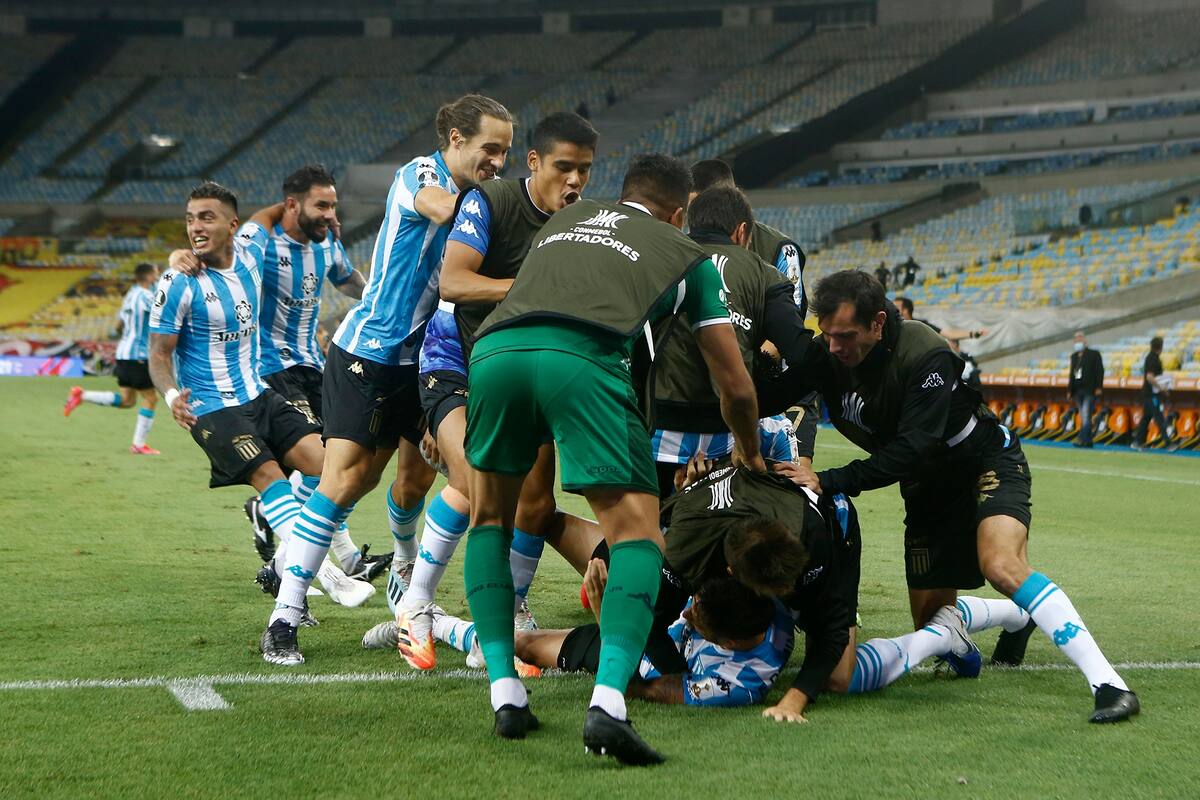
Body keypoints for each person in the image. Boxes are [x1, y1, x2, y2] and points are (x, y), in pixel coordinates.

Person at [462, 154, 764, 763]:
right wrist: (750, 452)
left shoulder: (561, 222)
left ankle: (505, 693)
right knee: (637, 538)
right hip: (584, 359)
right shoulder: (689, 256)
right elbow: (734, 386)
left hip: (495, 354)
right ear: (678, 214)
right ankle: (607, 706)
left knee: (488, 521)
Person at [761, 270, 1139, 724]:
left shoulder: (925, 352)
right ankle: (1019, 616)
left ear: (878, 323)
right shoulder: (830, 355)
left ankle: (1109, 684)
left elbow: (911, 447)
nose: (834, 346)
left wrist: (828, 480)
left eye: (845, 336)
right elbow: (769, 396)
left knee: (1001, 564)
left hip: (982, 463)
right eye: (828, 335)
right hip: (926, 486)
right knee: (934, 625)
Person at [269, 94, 513, 664]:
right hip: (370, 353)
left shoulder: (481, 196)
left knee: (426, 479)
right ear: (455, 139)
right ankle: (285, 614)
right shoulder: (421, 175)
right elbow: (441, 208)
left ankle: (407, 588)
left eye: (505, 152)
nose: (498, 161)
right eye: (490, 148)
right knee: (348, 480)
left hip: (427, 362)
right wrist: (506, 208)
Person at [397, 111, 598, 670]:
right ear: (534, 162)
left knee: (534, 503)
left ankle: (510, 611)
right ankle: (415, 606)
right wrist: (532, 289)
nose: (574, 180)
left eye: (584, 169)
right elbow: (455, 280)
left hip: (521, 371)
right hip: (455, 361)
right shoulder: (490, 201)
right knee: (478, 482)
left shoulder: (583, 227)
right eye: (563, 166)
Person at [148, 182, 328, 659]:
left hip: (258, 393)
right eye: (190, 218)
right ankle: (309, 583)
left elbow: (271, 213)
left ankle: (284, 566)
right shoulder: (178, 281)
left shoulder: (250, 250)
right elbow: (158, 354)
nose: (195, 227)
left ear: (232, 225)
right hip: (210, 406)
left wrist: (309, 208)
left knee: (330, 470)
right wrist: (171, 395)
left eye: (206, 217)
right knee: (269, 477)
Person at [240, 164, 383, 583]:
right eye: (321, 206)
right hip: (272, 367)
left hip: (314, 366)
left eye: (333, 206)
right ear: (291, 204)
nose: (330, 215)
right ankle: (293, 564)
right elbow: (230, 258)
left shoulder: (326, 243)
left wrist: (378, 296)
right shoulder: (264, 244)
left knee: (348, 459)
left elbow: (346, 278)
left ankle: (274, 514)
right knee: (325, 464)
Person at [434, 566, 796, 709]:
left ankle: (436, 624)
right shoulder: (760, 599)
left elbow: (635, 688)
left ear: (727, 644)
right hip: (655, 612)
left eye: (696, 619)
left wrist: (604, 615)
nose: (688, 613)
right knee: (553, 520)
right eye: (694, 604)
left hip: (642, 659)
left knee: (523, 644)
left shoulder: (734, 685)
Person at [649, 185, 813, 496]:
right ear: (741, 231)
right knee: (720, 518)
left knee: (644, 522)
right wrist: (764, 400)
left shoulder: (656, 260)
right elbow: (800, 352)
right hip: (725, 437)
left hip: (652, 429)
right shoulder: (764, 274)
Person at [688, 159, 819, 465]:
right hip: (705, 386)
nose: (698, 216)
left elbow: (790, 325)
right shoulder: (684, 245)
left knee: (789, 473)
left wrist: (748, 363)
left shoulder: (778, 249)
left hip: (766, 383)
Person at [64, 261, 162, 455]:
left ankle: (81, 395)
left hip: (123, 353)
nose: (158, 277)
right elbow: (162, 314)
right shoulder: (146, 296)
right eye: (156, 274)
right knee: (151, 398)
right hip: (138, 355)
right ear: (150, 276)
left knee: (127, 400)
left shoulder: (130, 294)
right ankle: (138, 445)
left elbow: (118, 326)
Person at [1131, 335, 1177, 451]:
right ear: (1161, 347)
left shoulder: (1151, 358)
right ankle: (1168, 443)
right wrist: (1161, 387)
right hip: (1151, 394)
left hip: (1149, 393)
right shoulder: (1153, 359)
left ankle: (1137, 442)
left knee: (1146, 418)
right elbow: (1150, 377)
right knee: (1159, 417)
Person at [894, 295, 986, 343]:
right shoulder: (893, 326)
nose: (891, 308)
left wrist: (974, 334)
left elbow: (948, 334)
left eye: (896, 306)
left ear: (905, 310)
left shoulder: (921, 326)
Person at [1067, 331, 1104, 448]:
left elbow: (1100, 371)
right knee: (1084, 416)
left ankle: (1081, 438)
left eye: (1080, 339)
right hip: (1077, 390)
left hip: (1090, 390)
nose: (1078, 342)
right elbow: (1072, 374)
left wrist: (1099, 387)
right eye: (1076, 340)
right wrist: (1069, 390)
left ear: (1085, 341)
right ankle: (1088, 441)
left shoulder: (1094, 354)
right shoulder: (1074, 357)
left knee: (1086, 413)